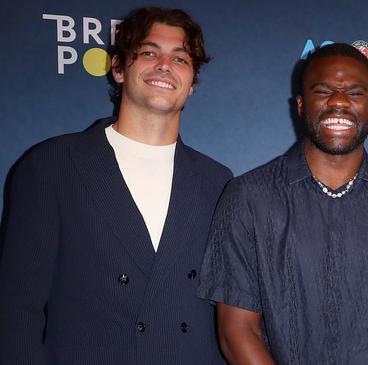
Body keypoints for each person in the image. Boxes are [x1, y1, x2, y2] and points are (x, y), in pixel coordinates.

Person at [0, 7, 231, 365]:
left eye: (180, 58)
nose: (164, 65)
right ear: (119, 68)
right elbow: (17, 307)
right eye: (149, 52)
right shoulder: (52, 165)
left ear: (193, 83)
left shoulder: (218, 181)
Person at [198, 43, 368, 364]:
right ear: (300, 104)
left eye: (355, 93)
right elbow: (237, 330)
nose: (339, 102)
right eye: (324, 91)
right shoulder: (248, 197)